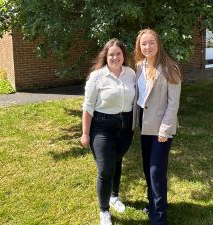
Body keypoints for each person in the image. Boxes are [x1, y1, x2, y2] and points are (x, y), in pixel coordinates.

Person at [80, 38, 136, 225]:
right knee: (105, 169)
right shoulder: (96, 77)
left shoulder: (131, 74)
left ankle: (114, 196)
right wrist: (85, 133)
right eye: (111, 54)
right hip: (102, 127)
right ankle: (104, 210)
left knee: (117, 159)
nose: (115, 57)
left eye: (118, 53)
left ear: (123, 56)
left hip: (125, 126)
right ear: (106, 56)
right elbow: (88, 108)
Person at [134, 28, 182, 225]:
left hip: (162, 128)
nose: (147, 46)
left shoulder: (171, 68)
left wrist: (165, 130)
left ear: (158, 44)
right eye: (143, 43)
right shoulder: (138, 67)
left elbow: (173, 103)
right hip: (144, 126)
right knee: (149, 169)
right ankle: (153, 203)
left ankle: (159, 218)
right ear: (139, 46)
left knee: (156, 171)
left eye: (151, 42)